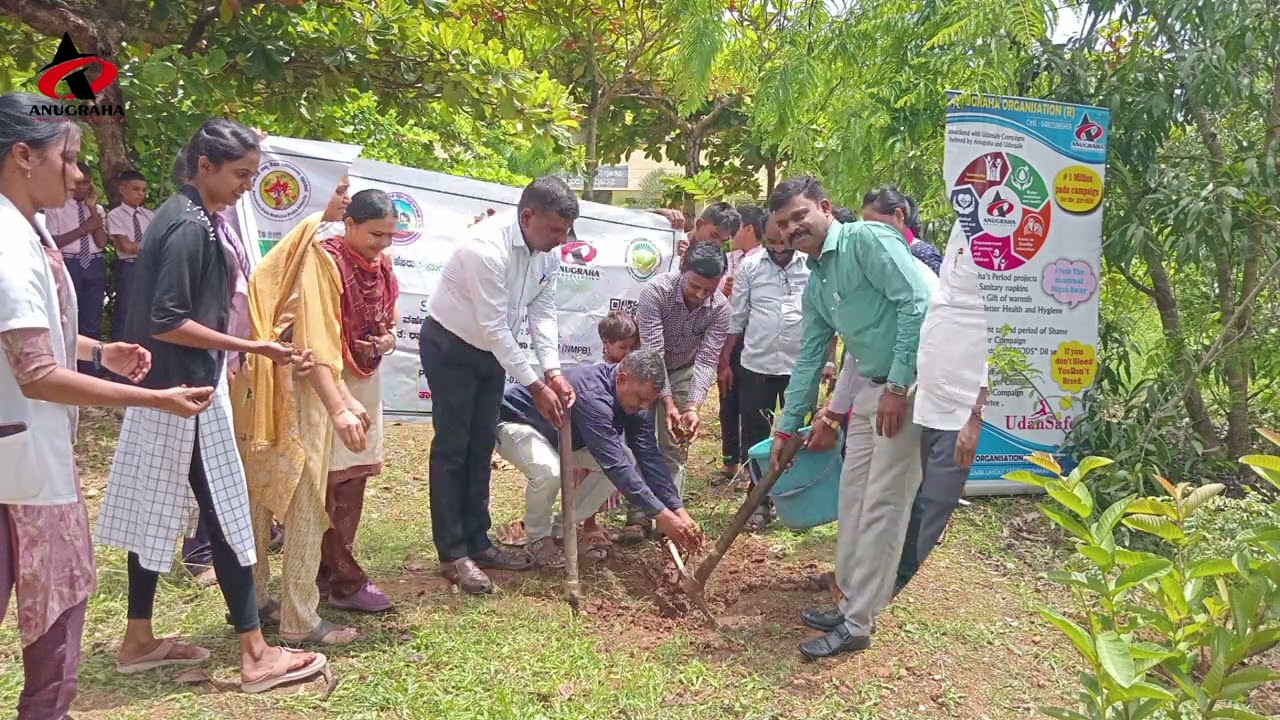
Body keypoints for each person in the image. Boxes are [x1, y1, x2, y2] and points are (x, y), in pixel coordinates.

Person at [0, 90, 216, 720]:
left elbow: (34, 335)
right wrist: (151, 400)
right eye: (67, 160)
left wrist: (97, 351)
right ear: (22, 155)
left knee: (59, 598)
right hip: (24, 458)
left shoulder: (27, 229)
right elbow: (38, 373)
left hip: (27, 452)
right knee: (59, 605)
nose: (77, 176)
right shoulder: (11, 245)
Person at [98, 119, 328, 691]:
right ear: (205, 165)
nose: (248, 185)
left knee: (159, 512)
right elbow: (169, 320)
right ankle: (255, 654)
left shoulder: (192, 216)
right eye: (240, 174)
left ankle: (138, 640)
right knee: (226, 511)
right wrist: (252, 345)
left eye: (253, 173)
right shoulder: (188, 228)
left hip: (173, 389)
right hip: (185, 394)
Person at [764, 176, 931, 660]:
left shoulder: (867, 241)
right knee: (853, 497)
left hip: (911, 387)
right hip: (867, 390)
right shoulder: (816, 283)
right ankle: (847, 601)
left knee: (883, 505)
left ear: (824, 207)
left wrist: (899, 386)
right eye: (783, 224)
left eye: (800, 216)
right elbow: (810, 358)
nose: (794, 229)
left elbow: (914, 304)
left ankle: (860, 622)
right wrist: (786, 426)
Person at [418, 176, 578, 595]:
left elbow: (543, 312)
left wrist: (554, 371)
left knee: (481, 444)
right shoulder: (484, 248)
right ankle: (453, 553)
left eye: (565, 232)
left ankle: (478, 540)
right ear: (527, 217)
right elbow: (493, 326)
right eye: (555, 231)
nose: (561, 240)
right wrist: (536, 386)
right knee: (453, 448)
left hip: (491, 351)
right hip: (451, 345)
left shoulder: (549, 252)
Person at [496, 348, 702, 566]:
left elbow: (649, 457)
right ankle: (537, 538)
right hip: (517, 423)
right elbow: (614, 465)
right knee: (550, 471)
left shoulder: (636, 400)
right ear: (623, 379)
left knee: (628, 458)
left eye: (648, 402)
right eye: (641, 399)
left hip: (560, 435)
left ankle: (561, 528)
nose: (643, 407)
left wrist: (678, 511)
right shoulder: (593, 395)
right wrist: (662, 516)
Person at [314, 190, 400, 614]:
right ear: (348, 224)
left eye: (389, 236)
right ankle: (335, 577)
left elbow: (391, 318)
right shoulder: (325, 261)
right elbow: (315, 329)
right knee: (328, 477)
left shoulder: (382, 265)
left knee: (354, 477)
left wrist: (387, 339)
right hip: (329, 380)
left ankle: (335, 575)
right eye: (374, 235)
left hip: (367, 379)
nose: (382, 245)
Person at [624, 238, 730, 543]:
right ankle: (638, 514)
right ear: (682, 269)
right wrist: (667, 403)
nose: (700, 295)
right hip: (646, 369)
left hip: (685, 369)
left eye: (708, 290)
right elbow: (654, 353)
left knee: (676, 443)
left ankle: (670, 518)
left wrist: (692, 407)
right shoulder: (655, 293)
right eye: (694, 286)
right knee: (640, 440)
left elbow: (708, 359)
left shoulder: (720, 309)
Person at [723, 212, 811, 530]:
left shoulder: (810, 265)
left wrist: (827, 363)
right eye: (770, 242)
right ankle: (757, 500)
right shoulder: (750, 266)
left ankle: (790, 497)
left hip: (799, 367)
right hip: (756, 365)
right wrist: (725, 361)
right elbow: (737, 317)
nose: (777, 249)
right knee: (756, 435)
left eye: (782, 242)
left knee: (793, 435)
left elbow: (824, 316)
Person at [714, 204, 766, 485]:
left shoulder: (763, 261)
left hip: (752, 337)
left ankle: (751, 465)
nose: (731, 234)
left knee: (751, 404)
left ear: (748, 228)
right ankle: (729, 461)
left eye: (737, 228)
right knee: (727, 399)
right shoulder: (728, 259)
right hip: (726, 336)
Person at [44, 161, 108, 374]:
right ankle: (68, 369)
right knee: (69, 315)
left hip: (94, 261)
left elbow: (101, 242)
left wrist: (91, 210)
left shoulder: (96, 209)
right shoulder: (56, 207)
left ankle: (91, 371)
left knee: (92, 317)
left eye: (87, 183)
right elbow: (54, 242)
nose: (82, 188)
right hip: (69, 261)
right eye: (79, 183)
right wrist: (83, 229)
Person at [106, 170, 153, 343]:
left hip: (148, 268)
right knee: (126, 312)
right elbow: (126, 247)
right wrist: (151, 247)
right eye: (135, 189)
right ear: (122, 189)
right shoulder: (115, 215)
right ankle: (120, 355)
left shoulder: (150, 215)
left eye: (143, 190)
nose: (140, 194)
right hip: (129, 268)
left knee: (147, 312)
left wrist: (143, 247)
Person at [861, 186, 943, 275]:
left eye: (876, 224)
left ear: (898, 215)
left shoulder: (921, 255)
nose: (871, 232)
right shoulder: (886, 255)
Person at [676, 201, 741, 263]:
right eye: (714, 235)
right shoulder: (672, 244)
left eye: (722, 241)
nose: (717, 244)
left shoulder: (717, 263)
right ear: (699, 224)